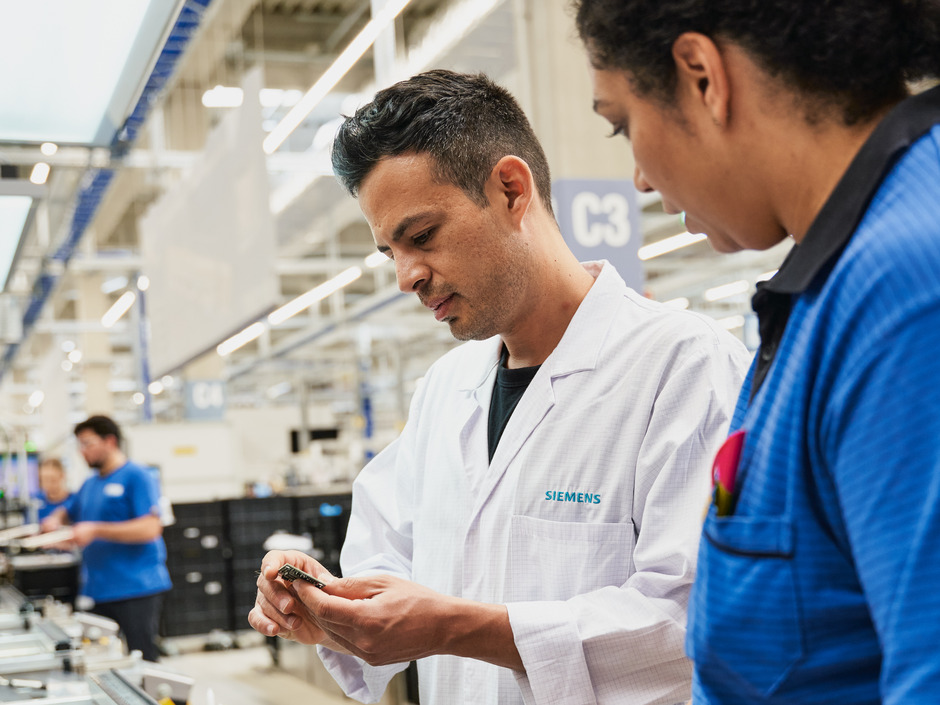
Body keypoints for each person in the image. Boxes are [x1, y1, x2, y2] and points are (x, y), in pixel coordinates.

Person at [249, 70, 749, 705]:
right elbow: (386, 564)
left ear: (511, 190)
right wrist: (327, 606)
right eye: (389, 252)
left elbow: (694, 619)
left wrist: (458, 627)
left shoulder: (684, 367)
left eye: (422, 236)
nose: (406, 276)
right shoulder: (444, 391)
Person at [573, 1, 940, 703]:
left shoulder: (909, 290)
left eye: (623, 125)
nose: (640, 180)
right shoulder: (831, 284)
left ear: (703, 76)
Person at [42, 415, 171, 662]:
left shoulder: (137, 476)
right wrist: (56, 520)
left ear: (110, 441)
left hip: (136, 589)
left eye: (87, 443)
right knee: (100, 660)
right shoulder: (90, 484)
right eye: (79, 445)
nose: (83, 451)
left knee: (142, 661)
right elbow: (69, 512)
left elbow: (150, 528)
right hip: (98, 591)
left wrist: (96, 530)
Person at [35, 457, 72, 522]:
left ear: (62, 476)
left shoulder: (74, 500)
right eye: (44, 480)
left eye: (53, 480)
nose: (48, 484)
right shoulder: (36, 501)